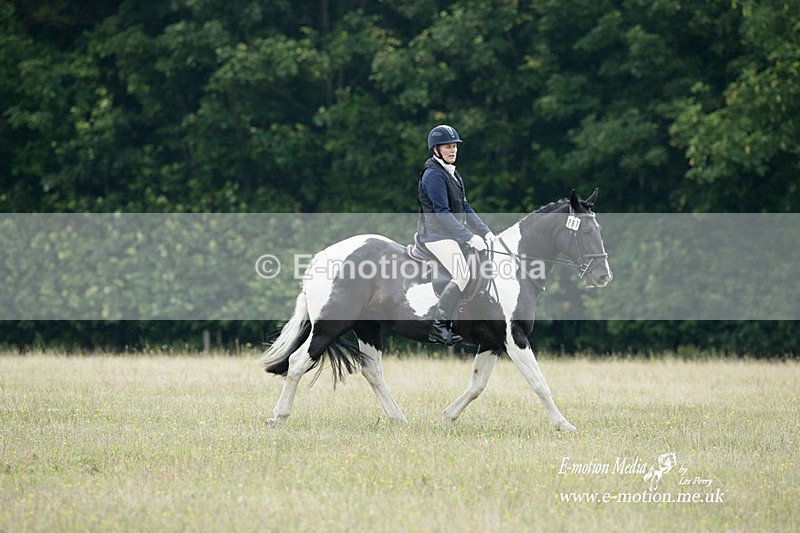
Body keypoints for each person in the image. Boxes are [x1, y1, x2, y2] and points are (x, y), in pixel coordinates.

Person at [417, 124, 494, 345]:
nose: (452, 150)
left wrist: (485, 232)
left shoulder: (453, 173)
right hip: (435, 236)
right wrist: (468, 237)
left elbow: (465, 207)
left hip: (451, 235)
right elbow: (443, 213)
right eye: (447, 147)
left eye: (454, 146)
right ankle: (439, 325)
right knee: (463, 273)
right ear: (436, 150)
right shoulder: (433, 175)